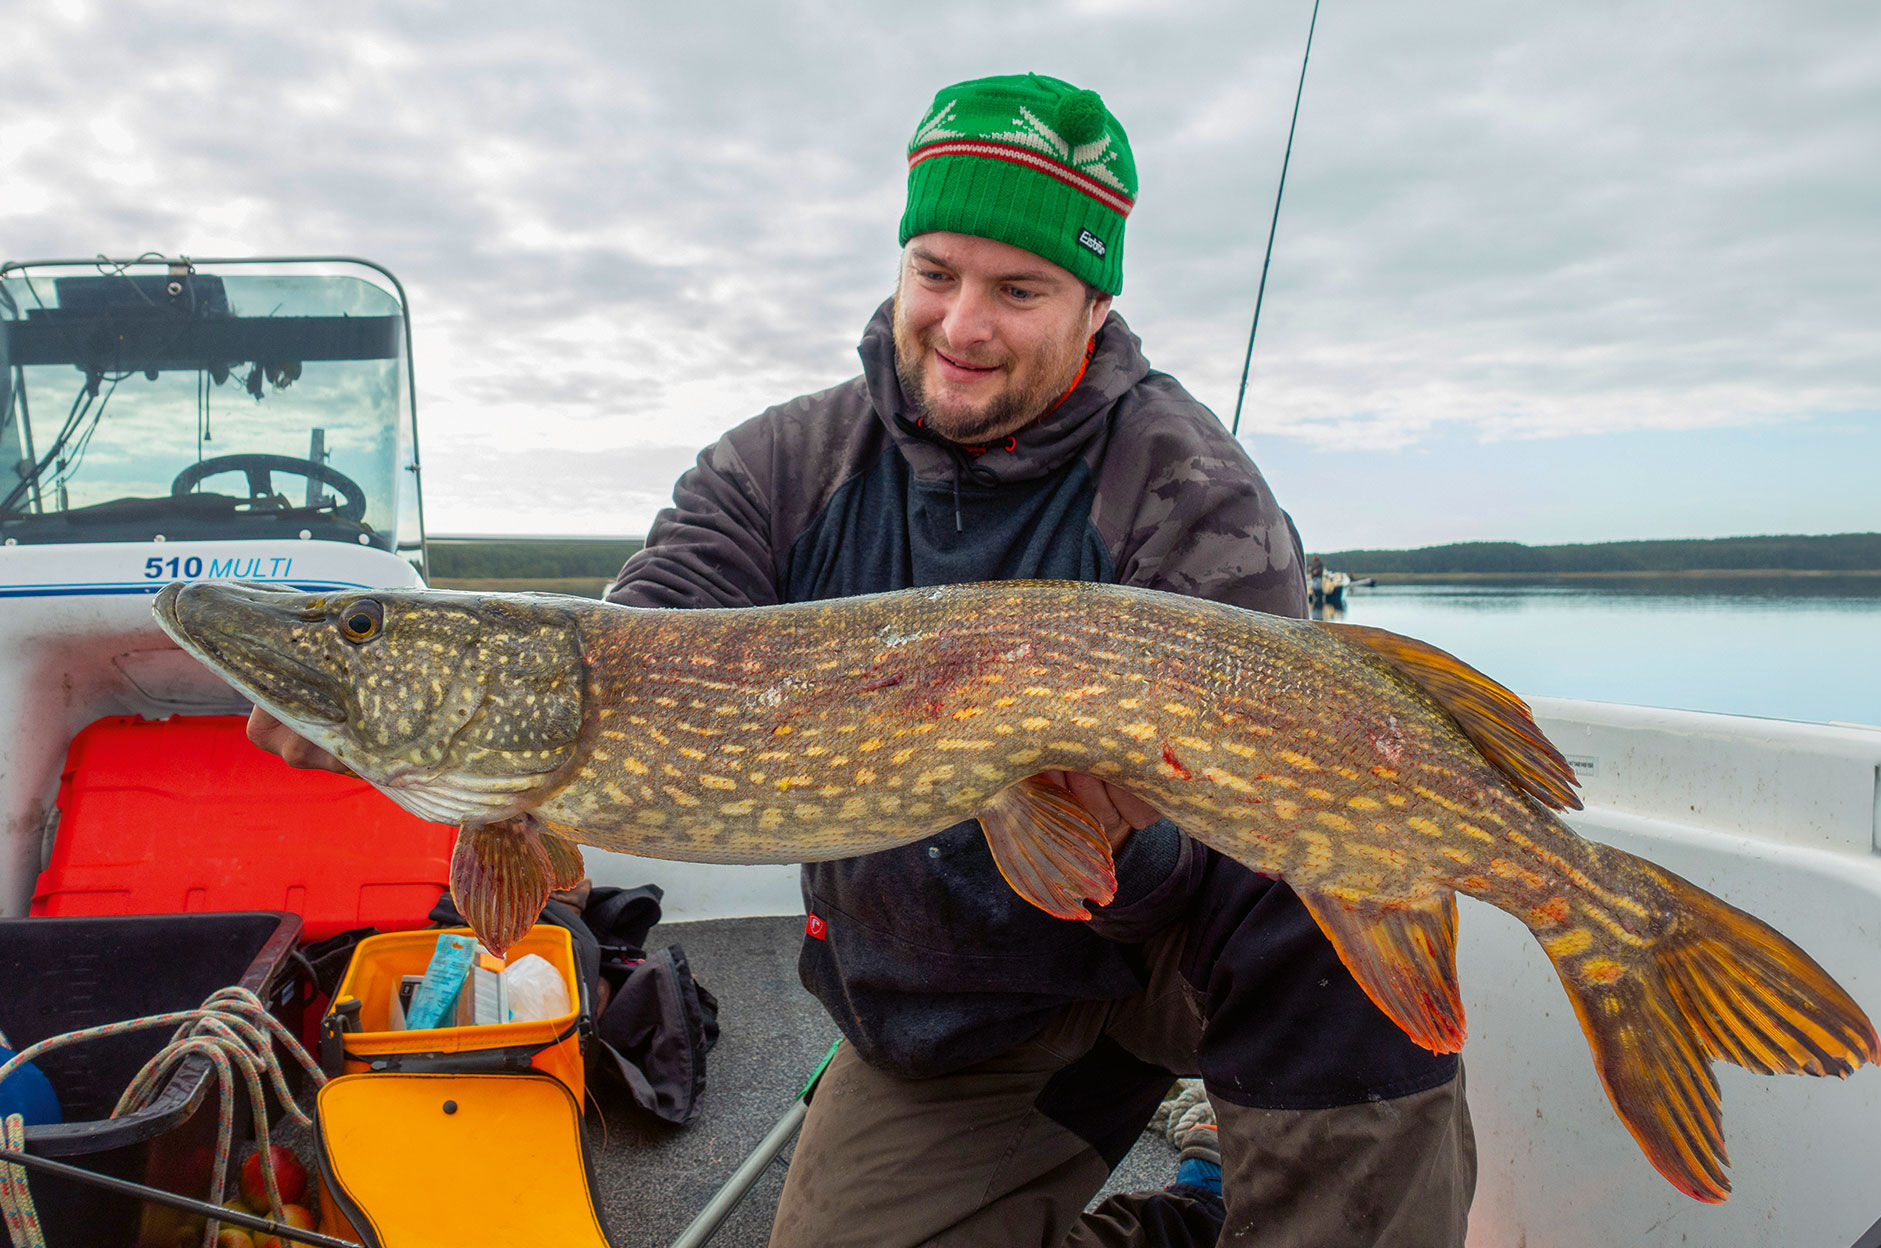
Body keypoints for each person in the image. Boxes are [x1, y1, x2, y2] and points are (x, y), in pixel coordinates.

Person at [250, 72, 1475, 1247]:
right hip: (962, 1013)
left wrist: (1117, 833)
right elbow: (654, 625)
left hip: (1178, 963)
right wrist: (414, 733)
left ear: (1097, 306)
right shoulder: (778, 468)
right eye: (935, 273)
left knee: (1347, 882)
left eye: (1021, 289)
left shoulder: (1190, 490)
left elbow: (1240, 830)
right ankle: (1194, 1220)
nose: (963, 324)